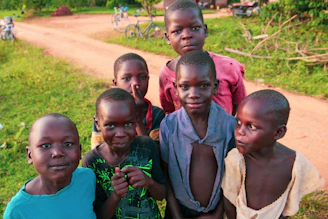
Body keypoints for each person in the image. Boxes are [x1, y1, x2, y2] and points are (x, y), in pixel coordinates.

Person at [222, 89, 325, 219]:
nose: (239, 132)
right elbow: (229, 205)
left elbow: (287, 210)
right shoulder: (236, 160)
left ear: (278, 133)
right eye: (238, 122)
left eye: (251, 127)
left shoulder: (295, 164)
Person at [160, 50, 237, 218]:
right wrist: (177, 215)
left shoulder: (229, 127)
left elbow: (233, 178)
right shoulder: (169, 126)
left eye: (203, 85)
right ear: (175, 88)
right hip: (178, 211)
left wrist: (217, 215)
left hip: (217, 210)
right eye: (185, 86)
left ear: (215, 86)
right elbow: (166, 175)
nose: (193, 94)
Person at [83, 88, 166, 219]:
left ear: (136, 120)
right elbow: (99, 215)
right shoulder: (92, 162)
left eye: (128, 124)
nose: (120, 134)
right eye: (110, 125)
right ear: (98, 123)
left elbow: (161, 194)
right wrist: (116, 195)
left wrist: (148, 182)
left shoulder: (147, 146)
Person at [160, 0, 246, 115]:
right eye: (177, 31)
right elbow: (169, 110)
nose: (186, 35)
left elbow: (240, 105)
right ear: (167, 37)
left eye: (195, 28)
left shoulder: (229, 67)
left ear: (205, 31)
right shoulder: (166, 75)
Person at [3, 113, 96, 219]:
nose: (57, 153)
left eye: (68, 144)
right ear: (30, 155)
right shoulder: (18, 211)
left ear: (79, 151)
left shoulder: (87, 178)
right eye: (45, 145)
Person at [91, 53, 165, 148]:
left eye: (142, 77)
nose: (135, 83)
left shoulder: (157, 115)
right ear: (115, 83)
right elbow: (98, 152)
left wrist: (137, 118)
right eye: (127, 78)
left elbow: (153, 154)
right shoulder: (105, 114)